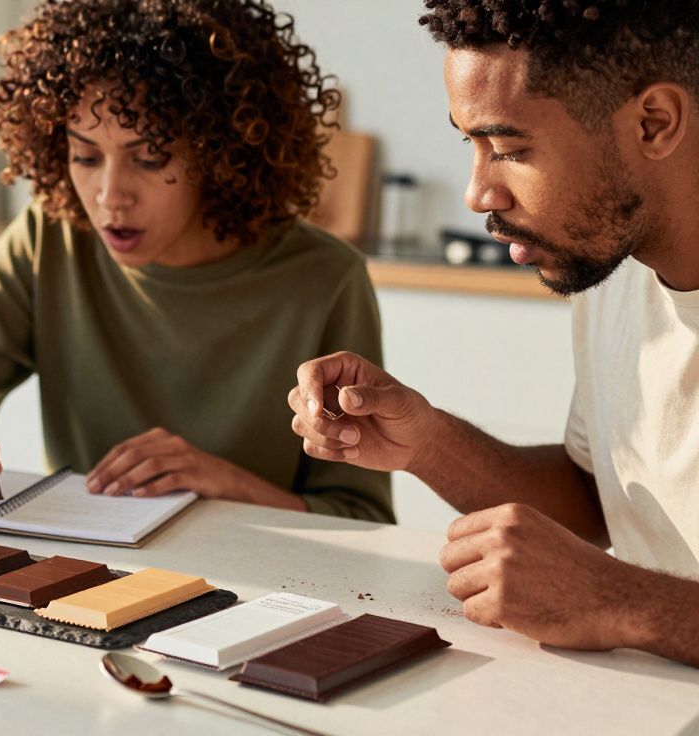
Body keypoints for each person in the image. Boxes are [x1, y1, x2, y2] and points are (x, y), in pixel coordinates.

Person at [0, 0, 391, 521]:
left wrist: (225, 484)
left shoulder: (325, 278)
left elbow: (360, 519)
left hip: (267, 585)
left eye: (148, 158)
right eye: (86, 157)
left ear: (219, 151)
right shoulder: (51, 239)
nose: (110, 196)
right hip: (83, 578)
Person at [290, 0, 699, 665]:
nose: (478, 193)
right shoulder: (616, 274)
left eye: (508, 149)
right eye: (471, 144)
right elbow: (599, 496)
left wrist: (616, 600)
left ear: (653, 123)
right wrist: (424, 441)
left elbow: (611, 586)